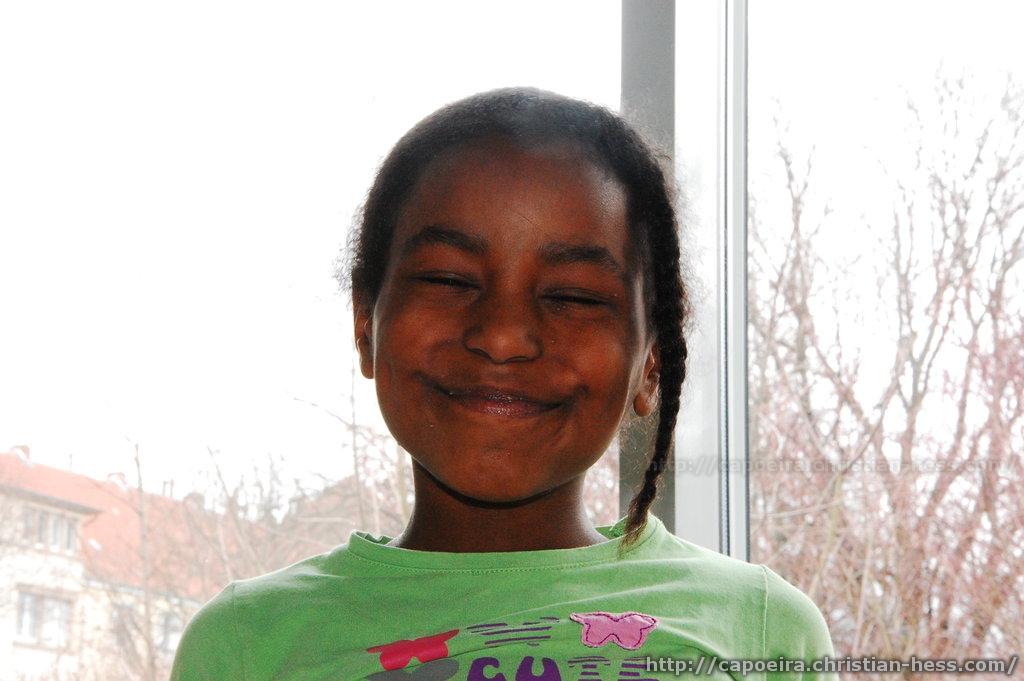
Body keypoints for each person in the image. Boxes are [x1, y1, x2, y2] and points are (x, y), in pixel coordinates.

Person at [170, 87, 836, 680]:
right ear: (366, 323)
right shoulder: (246, 642)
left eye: (573, 295)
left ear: (651, 362)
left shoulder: (762, 627)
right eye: (448, 279)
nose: (504, 335)